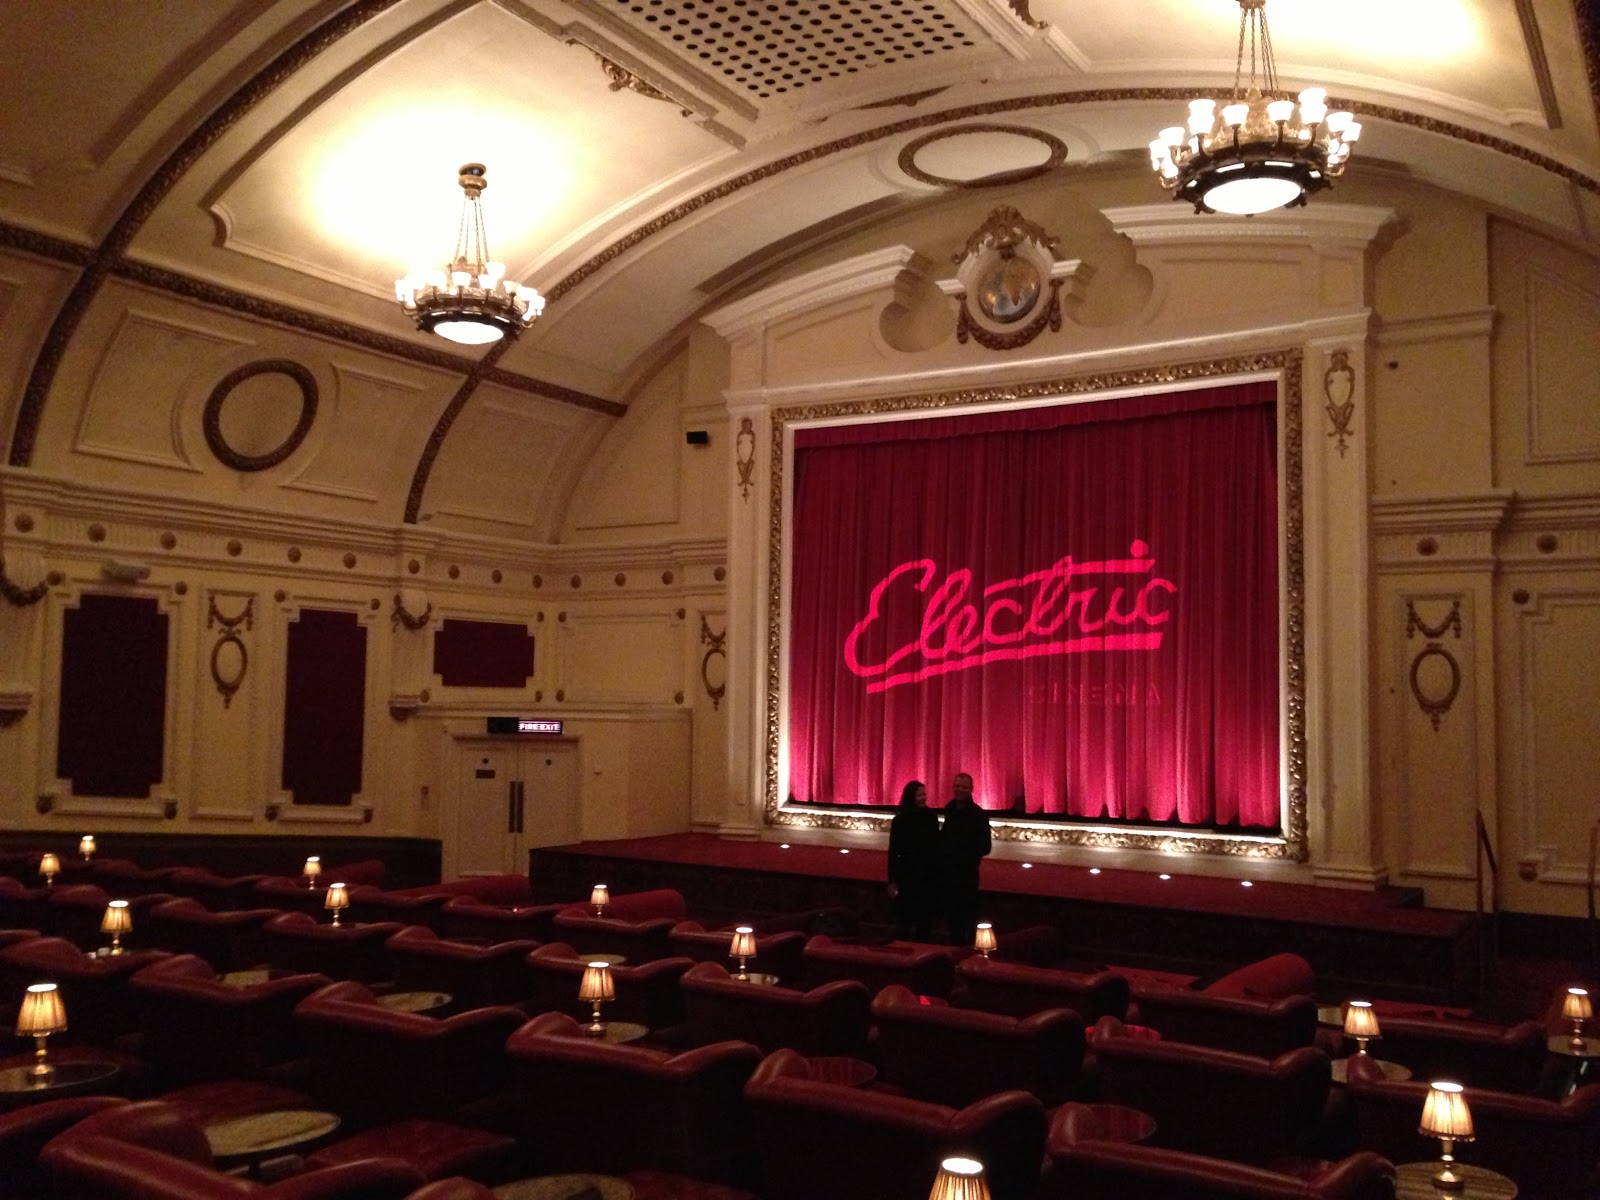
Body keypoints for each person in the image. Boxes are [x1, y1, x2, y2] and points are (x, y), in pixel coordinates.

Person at [939, 771, 992, 945]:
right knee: (952, 918)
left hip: (967, 874)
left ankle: (968, 950)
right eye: (957, 786)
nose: (960, 790)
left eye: (964, 787)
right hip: (948, 874)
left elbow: (986, 847)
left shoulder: (978, 815)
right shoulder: (949, 810)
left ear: (971, 789)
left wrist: (963, 855)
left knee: (968, 915)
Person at [886, 779, 940, 941]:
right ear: (911, 797)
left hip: (926, 876)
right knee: (904, 922)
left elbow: (936, 848)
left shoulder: (931, 818)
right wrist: (892, 880)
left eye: (924, 795)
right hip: (906, 876)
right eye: (920, 795)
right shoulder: (900, 820)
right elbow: (893, 851)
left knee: (924, 922)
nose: (923, 798)